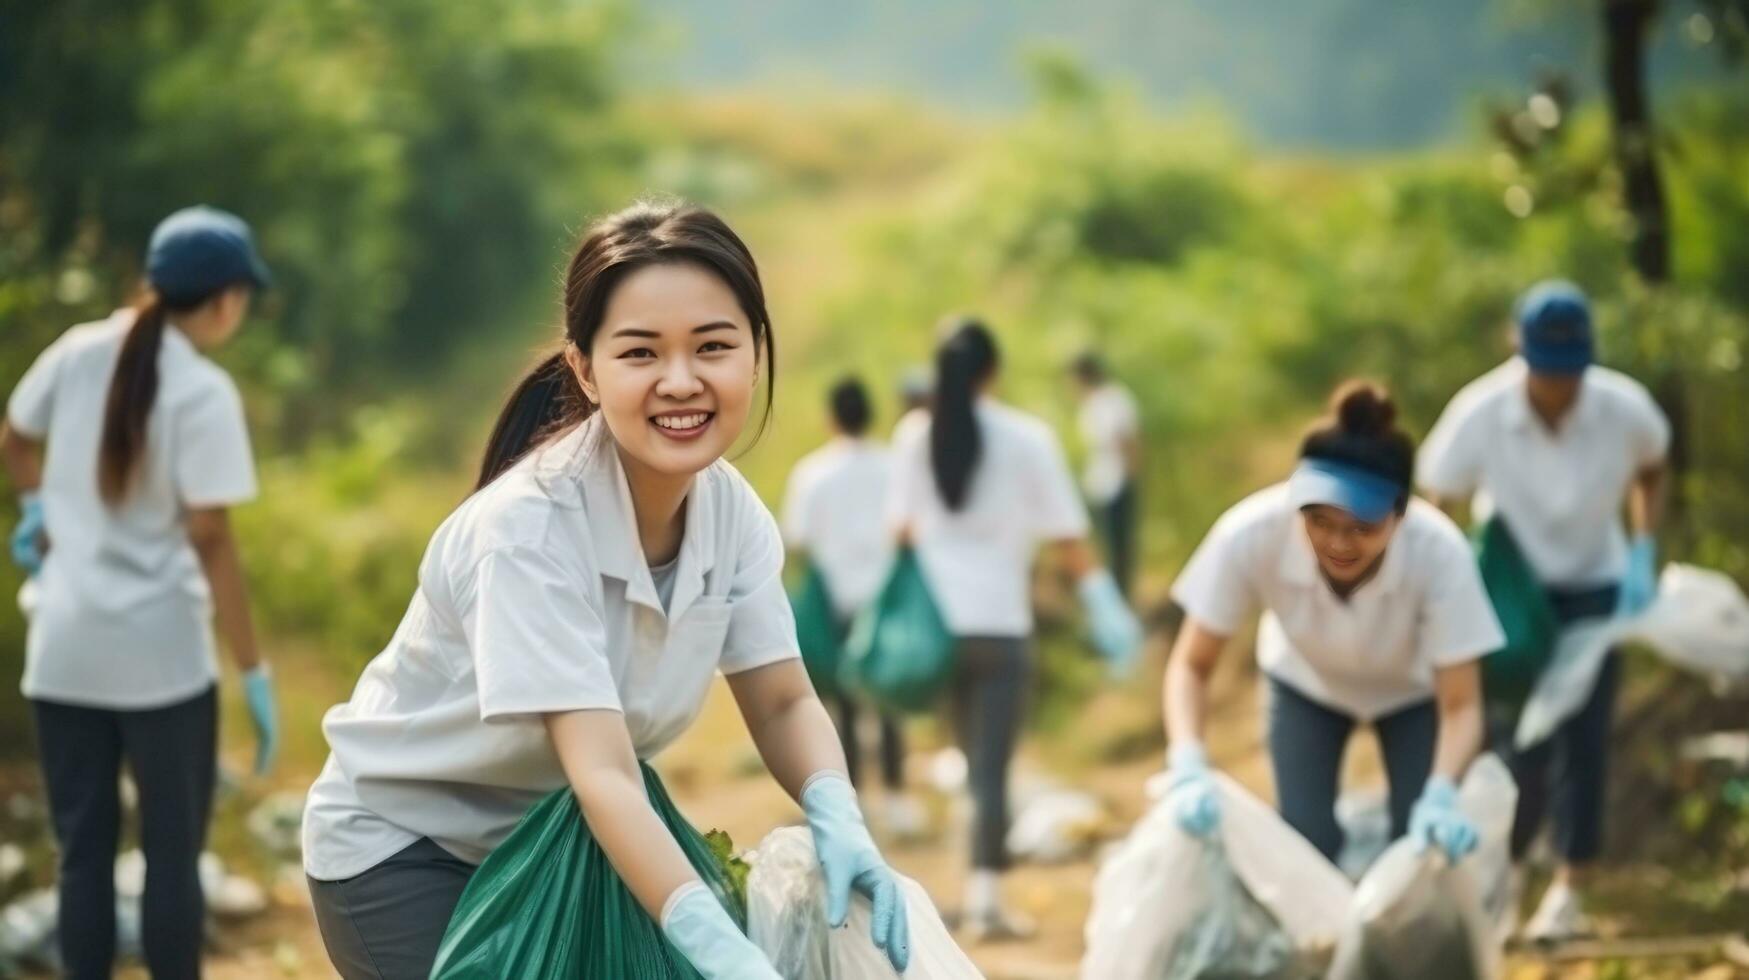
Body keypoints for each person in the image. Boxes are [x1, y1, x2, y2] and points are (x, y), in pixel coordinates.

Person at [301, 201, 909, 980]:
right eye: (640, 354)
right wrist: (714, 942)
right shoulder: (528, 529)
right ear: (585, 370)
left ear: (754, 354)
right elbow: (604, 773)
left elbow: (783, 700)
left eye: (713, 346)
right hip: (412, 849)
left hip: (566, 839)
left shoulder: (731, 513)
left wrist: (836, 811)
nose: (681, 381)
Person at [1, 205, 279, 980]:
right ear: (225, 299)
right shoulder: (203, 391)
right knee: (170, 857)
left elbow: (13, 436)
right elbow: (212, 539)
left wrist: (37, 509)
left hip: (62, 652)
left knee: (80, 856)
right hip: (161, 662)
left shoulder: (77, 350)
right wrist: (253, 670)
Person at [1418, 280, 1670, 941]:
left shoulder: (1622, 408)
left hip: (1595, 585)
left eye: (1569, 373)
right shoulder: (1481, 411)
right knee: (1511, 742)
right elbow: (1435, 492)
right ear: (1518, 353)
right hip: (1512, 592)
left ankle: (1569, 887)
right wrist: (1444, 582)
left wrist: (1643, 547)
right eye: (1546, 372)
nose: (1559, 388)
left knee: (1582, 740)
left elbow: (1653, 466)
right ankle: (1505, 872)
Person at [1162, 381, 1502, 867]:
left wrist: (1444, 793)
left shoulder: (1439, 554)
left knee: (1420, 848)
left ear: (1400, 515)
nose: (1338, 543)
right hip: (1306, 682)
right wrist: (1188, 762)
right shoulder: (1252, 533)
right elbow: (1191, 666)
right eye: (1320, 521)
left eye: (1362, 527)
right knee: (1305, 840)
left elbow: (1462, 703)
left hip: (1412, 693)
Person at [887, 317, 1140, 940]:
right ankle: (987, 901)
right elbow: (1068, 540)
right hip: (1000, 626)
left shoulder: (915, 434)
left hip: (939, 631)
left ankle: (960, 892)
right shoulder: (1027, 438)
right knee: (992, 768)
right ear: (992, 372)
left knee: (967, 762)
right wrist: (1105, 604)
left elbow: (900, 529)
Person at [781, 376, 924, 836]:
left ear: (832, 418)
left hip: (838, 600)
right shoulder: (893, 466)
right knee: (888, 698)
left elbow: (796, 539)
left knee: (839, 706)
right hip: (885, 599)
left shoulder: (813, 473)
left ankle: (853, 799)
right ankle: (898, 797)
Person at [1071, 351, 1142, 597]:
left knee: (1119, 547)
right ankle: (1107, 597)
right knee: (1100, 545)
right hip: (1099, 484)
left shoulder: (1114, 400)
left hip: (1117, 483)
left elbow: (1128, 442)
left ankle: (1122, 597)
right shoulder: (1090, 404)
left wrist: (1130, 477)